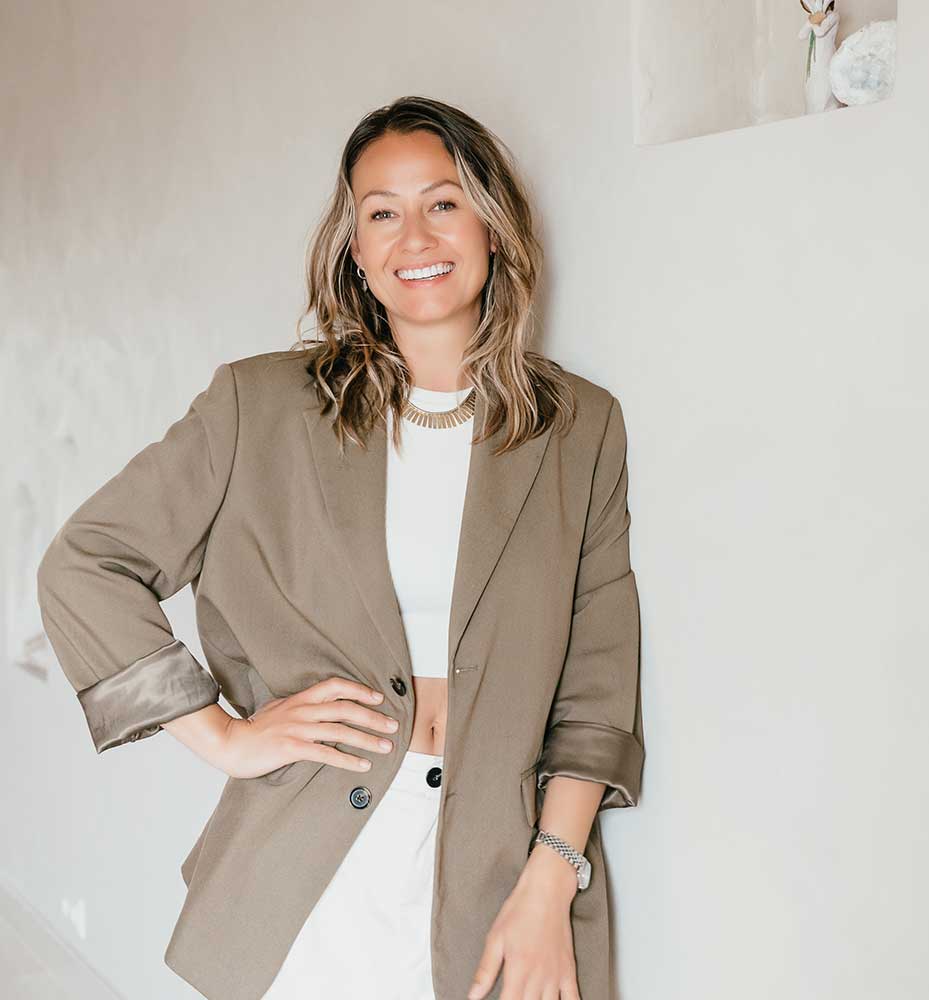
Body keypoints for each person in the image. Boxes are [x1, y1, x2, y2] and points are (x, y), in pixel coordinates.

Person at [37, 95, 644, 1000]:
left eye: (443, 202)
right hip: (309, 867)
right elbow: (85, 563)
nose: (416, 237)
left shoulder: (580, 426)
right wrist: (224, 737)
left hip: (502, 868)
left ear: (491, 223)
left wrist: (553, 875)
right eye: (382, 213)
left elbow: (597, 679)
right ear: (355, 250)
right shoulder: (261, 407)